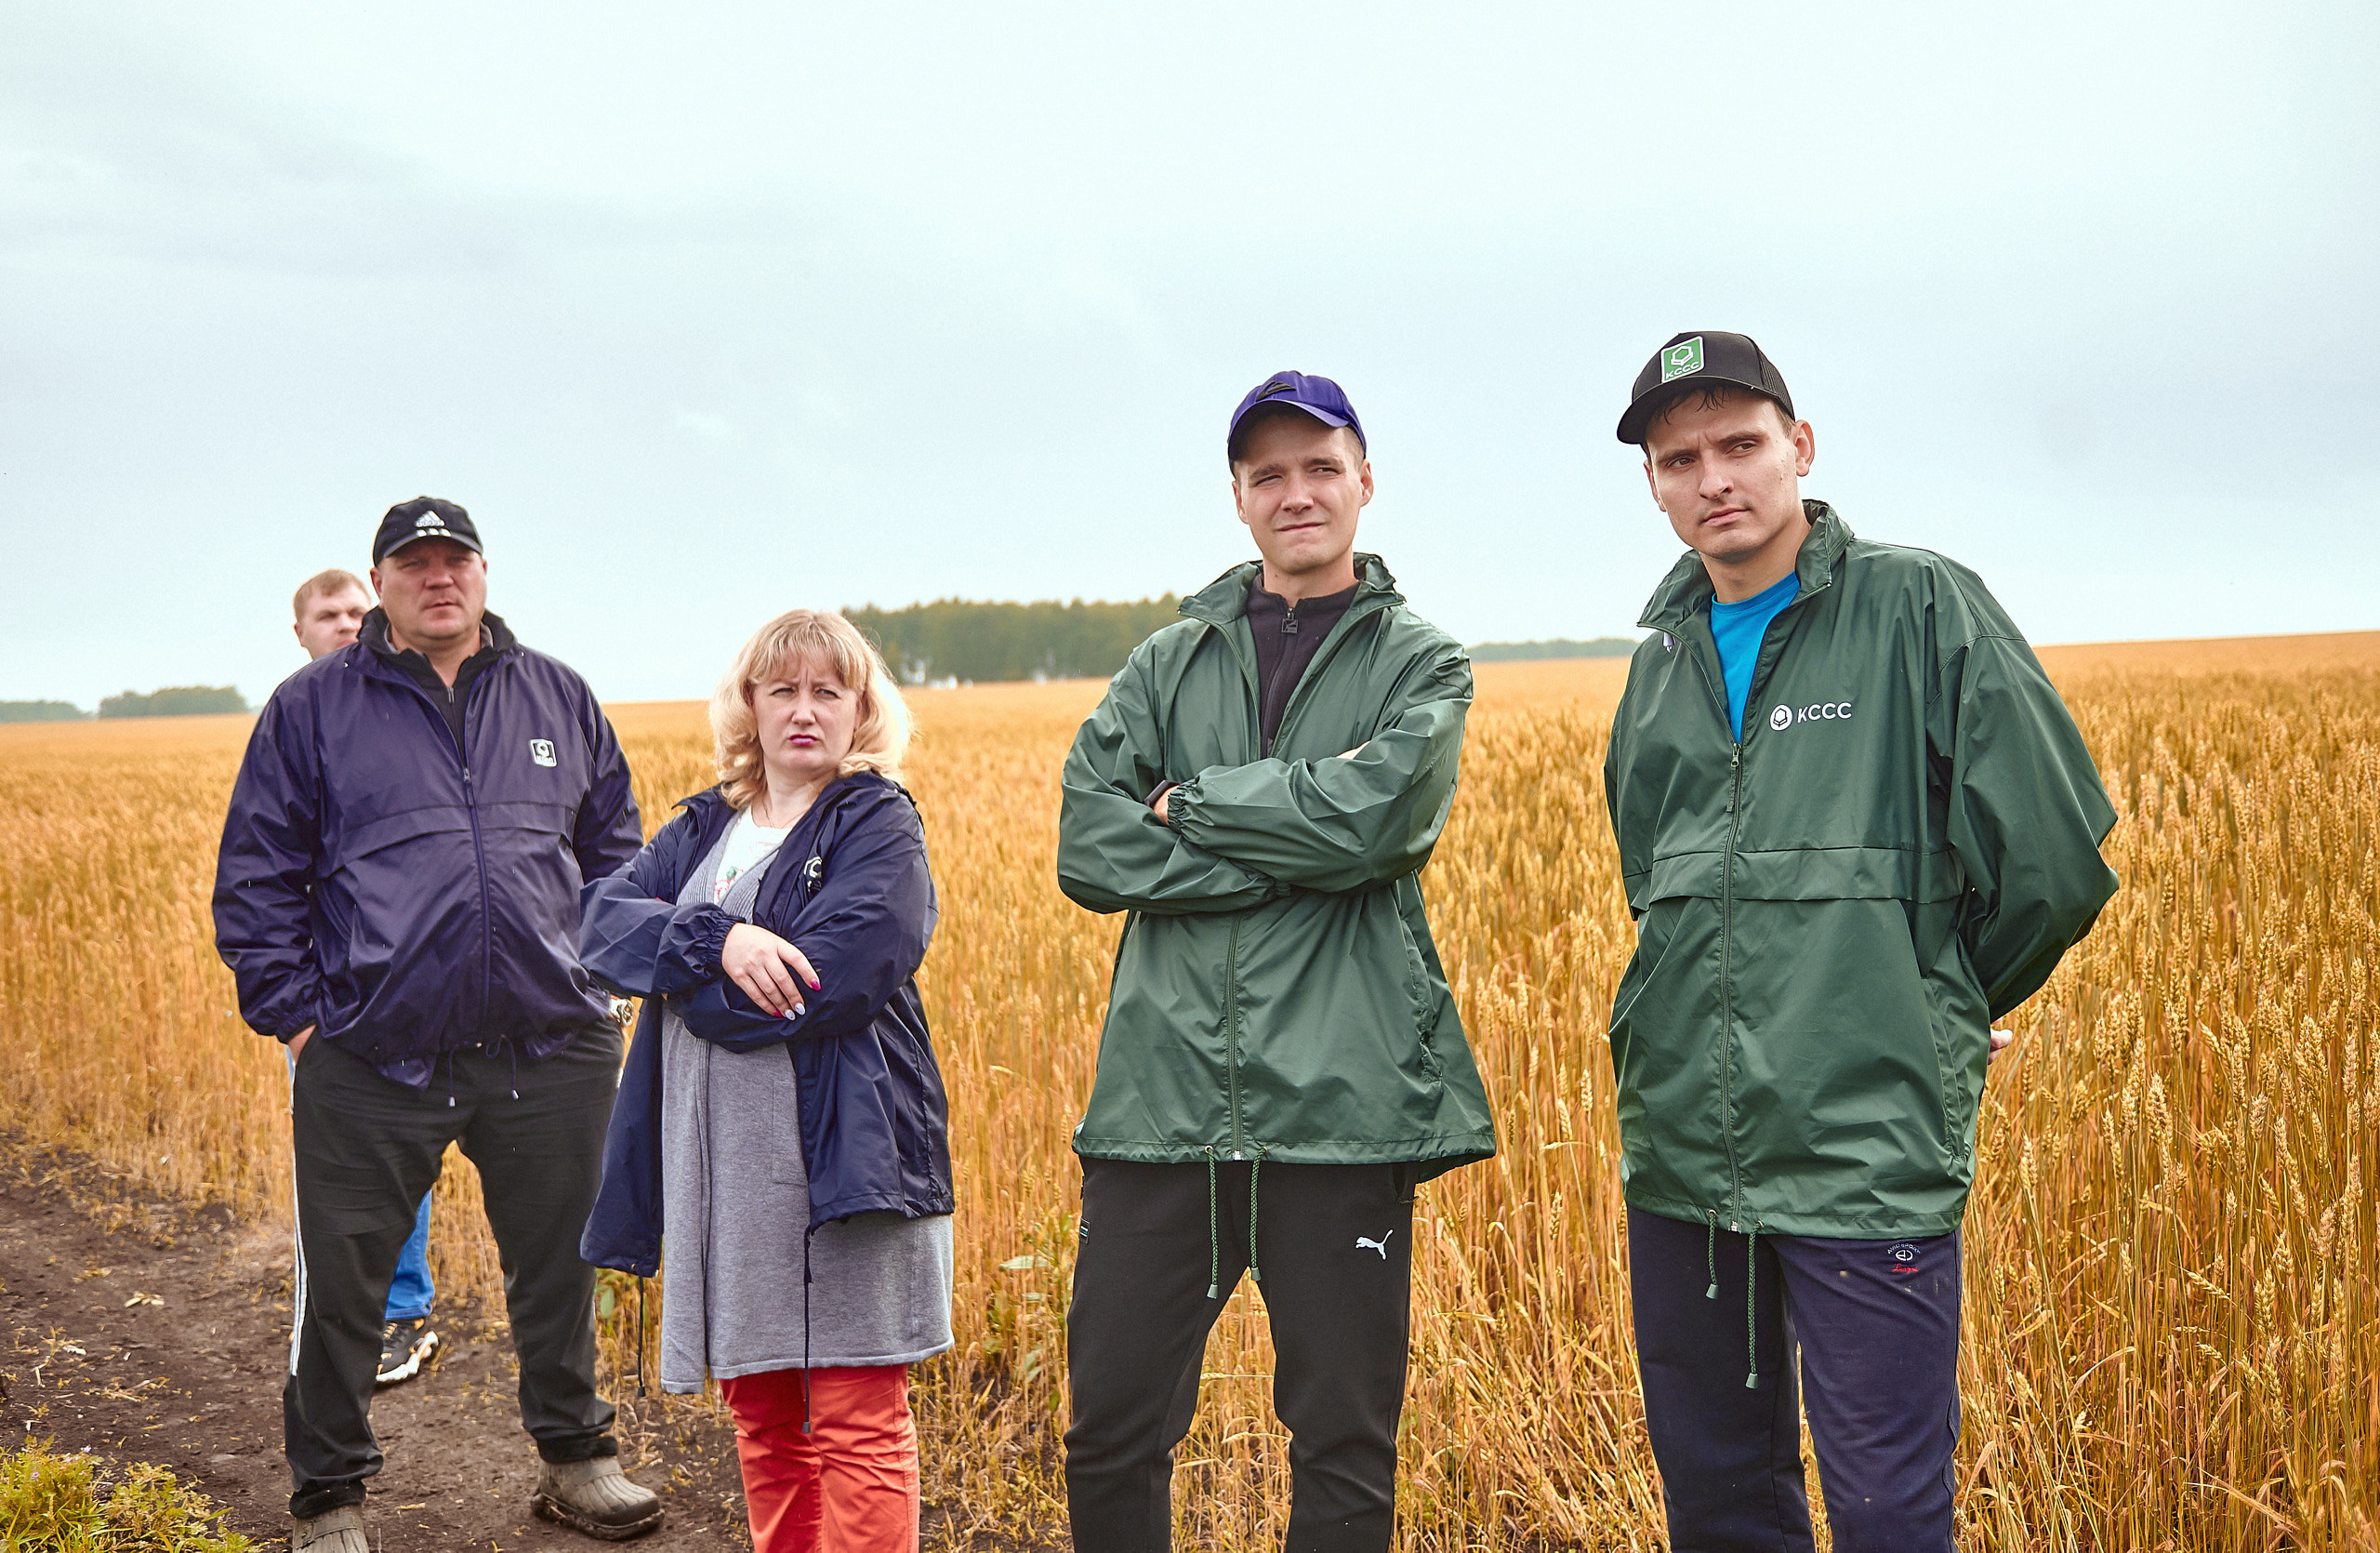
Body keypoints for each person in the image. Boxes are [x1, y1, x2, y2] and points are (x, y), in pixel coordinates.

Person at [1600, 333, 2119, 1550]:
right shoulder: (1662, 658)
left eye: (1740, 444)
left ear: (1800, 446)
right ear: (1654, 485)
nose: (1714, 477)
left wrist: (1933, 996)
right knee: (1720, 1504)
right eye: (1681, 459)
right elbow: (1655, 884)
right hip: (1684, 1155)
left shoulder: (1918, 605)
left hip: (1862, 1148)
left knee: (1887, 1508)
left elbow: (2052, 857)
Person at [1054, 371, 1497, 1552]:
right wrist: (1287, 853)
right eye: (1268, 475)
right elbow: (1087, 845)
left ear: (1364, 481)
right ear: (1239, 499)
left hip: (1340, 1113)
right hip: (1158, 1113)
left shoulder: (1422, 662)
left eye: (1319, 468)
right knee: (1109, 1430)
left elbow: (1377, 825)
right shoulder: (1165, 662)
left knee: (1343, 1444)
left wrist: (1185, 806)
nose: (1295, 493)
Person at [216, 498, 661, 1552]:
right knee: (345, 1285)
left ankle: (578, 1459)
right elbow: (257, 873)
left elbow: (615, 854)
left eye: (454, 558)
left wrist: (604, 987)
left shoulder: (556, 692)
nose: (438, 577)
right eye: (413, 563)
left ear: (484, 571)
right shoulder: (312, 706)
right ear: (380, 584)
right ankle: (329, 1500)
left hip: (551, 1046)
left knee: (560, 1266)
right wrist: (300, 1021)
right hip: (373, 1055)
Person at [578, 608, 953, 1553]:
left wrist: (682, 979)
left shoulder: (876, 821)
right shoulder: (705, 826)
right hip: (726, 1174)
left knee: (857, 1411)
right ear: (749, 703)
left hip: (845, 1166)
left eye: (829, 690)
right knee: (763, 1412)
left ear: (860, 708)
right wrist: (722, 940)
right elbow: (601, 925)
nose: (804, 709)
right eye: (782, 689)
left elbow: (837, 975)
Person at [287, 566, 443, 1389]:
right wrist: (297, 1015)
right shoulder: (295, 722)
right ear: (301, 632)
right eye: (329, 614)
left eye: (358, 610)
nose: (347, 623)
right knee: (340, 1162)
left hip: (416, 986)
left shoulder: (406, 713)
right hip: (332, 997)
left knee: (403, 1154)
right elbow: (268, 871)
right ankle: (349, 1311)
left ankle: (403, 1310)